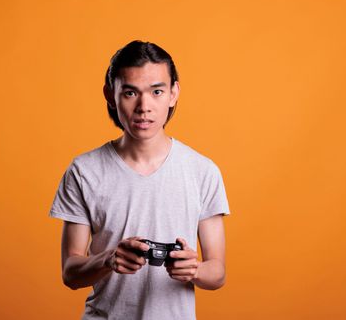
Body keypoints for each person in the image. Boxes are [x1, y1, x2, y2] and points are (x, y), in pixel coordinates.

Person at [49, 40, 230, 319]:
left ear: (173, 93)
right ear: (111, 94)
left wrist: (194, 269)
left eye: (157, 91)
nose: (144, 106)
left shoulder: (202, 171)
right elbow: (70, 272)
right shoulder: (84, 171)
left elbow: (217, 272)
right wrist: (108, 259)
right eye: (130, 92)